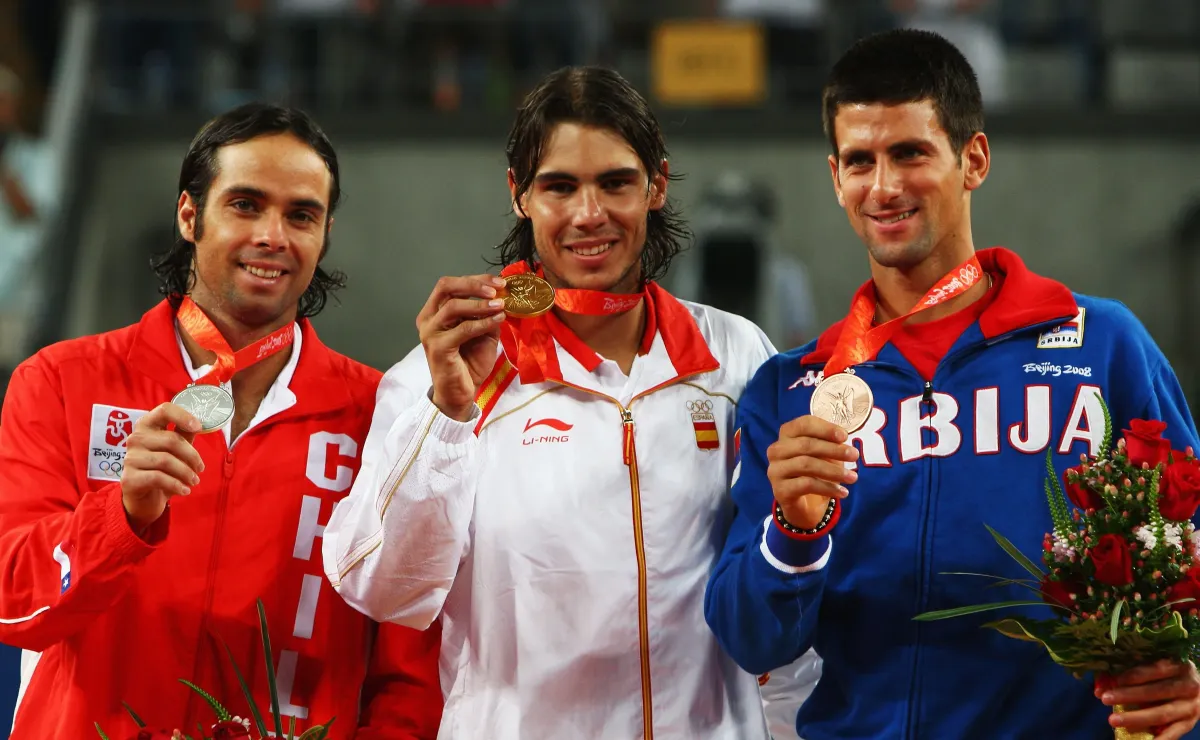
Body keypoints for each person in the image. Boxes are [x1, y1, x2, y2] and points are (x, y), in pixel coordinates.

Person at [703, 29, 1200, 740]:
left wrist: (1192, 678)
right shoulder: (793, 391)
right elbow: (752, 639)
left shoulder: (1102, 346)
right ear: (835, 176)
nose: (883, 186)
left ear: (974, 159)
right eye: (859, 161)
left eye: (910, 153)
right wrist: (795, 531)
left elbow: (1191, 549)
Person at [322, 66, 776, 738]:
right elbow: (384, 588)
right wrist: (446, 413)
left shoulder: (736, 357)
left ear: (657, 184)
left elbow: (783, 584)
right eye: (559, 186)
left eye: (615, 182)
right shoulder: (446, 371)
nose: (588, 214)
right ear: (519, 195)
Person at [0, 103, 441, 738]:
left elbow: (411, 667)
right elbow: (16, 608)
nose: (273, 235)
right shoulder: (63, 382)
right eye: (245, 204)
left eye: (301, 215)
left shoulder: (382, 416)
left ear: (324, 235)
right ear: (189, 215)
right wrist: (119, 517)